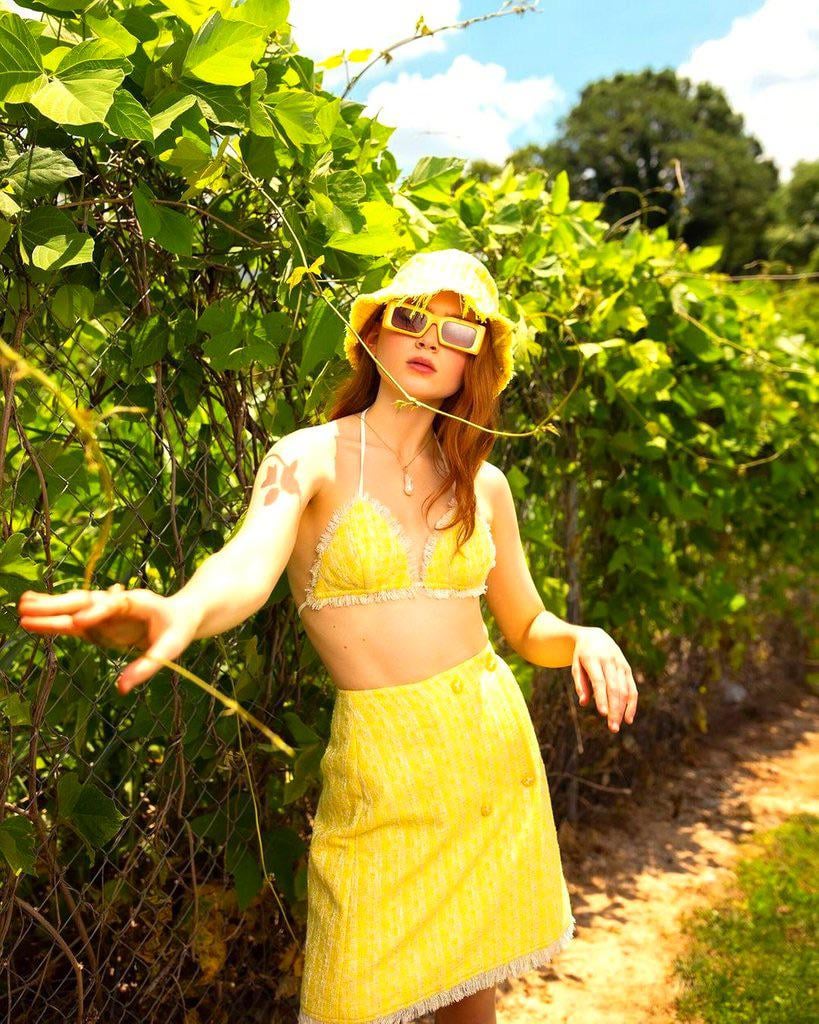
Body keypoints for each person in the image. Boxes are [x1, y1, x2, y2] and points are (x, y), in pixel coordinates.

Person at [17, 248, 638, 1024]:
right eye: (410, 317)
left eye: (457, 332)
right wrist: (183, 607)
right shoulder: (308, 456)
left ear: (473, 364)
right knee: (351, 999)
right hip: (380, 766)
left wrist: (580, 636)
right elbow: (246, 565)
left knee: (470, 995)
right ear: (373, 334)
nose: (430, 338)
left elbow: (526, 626)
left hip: (488, 755)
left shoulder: (484, 483)